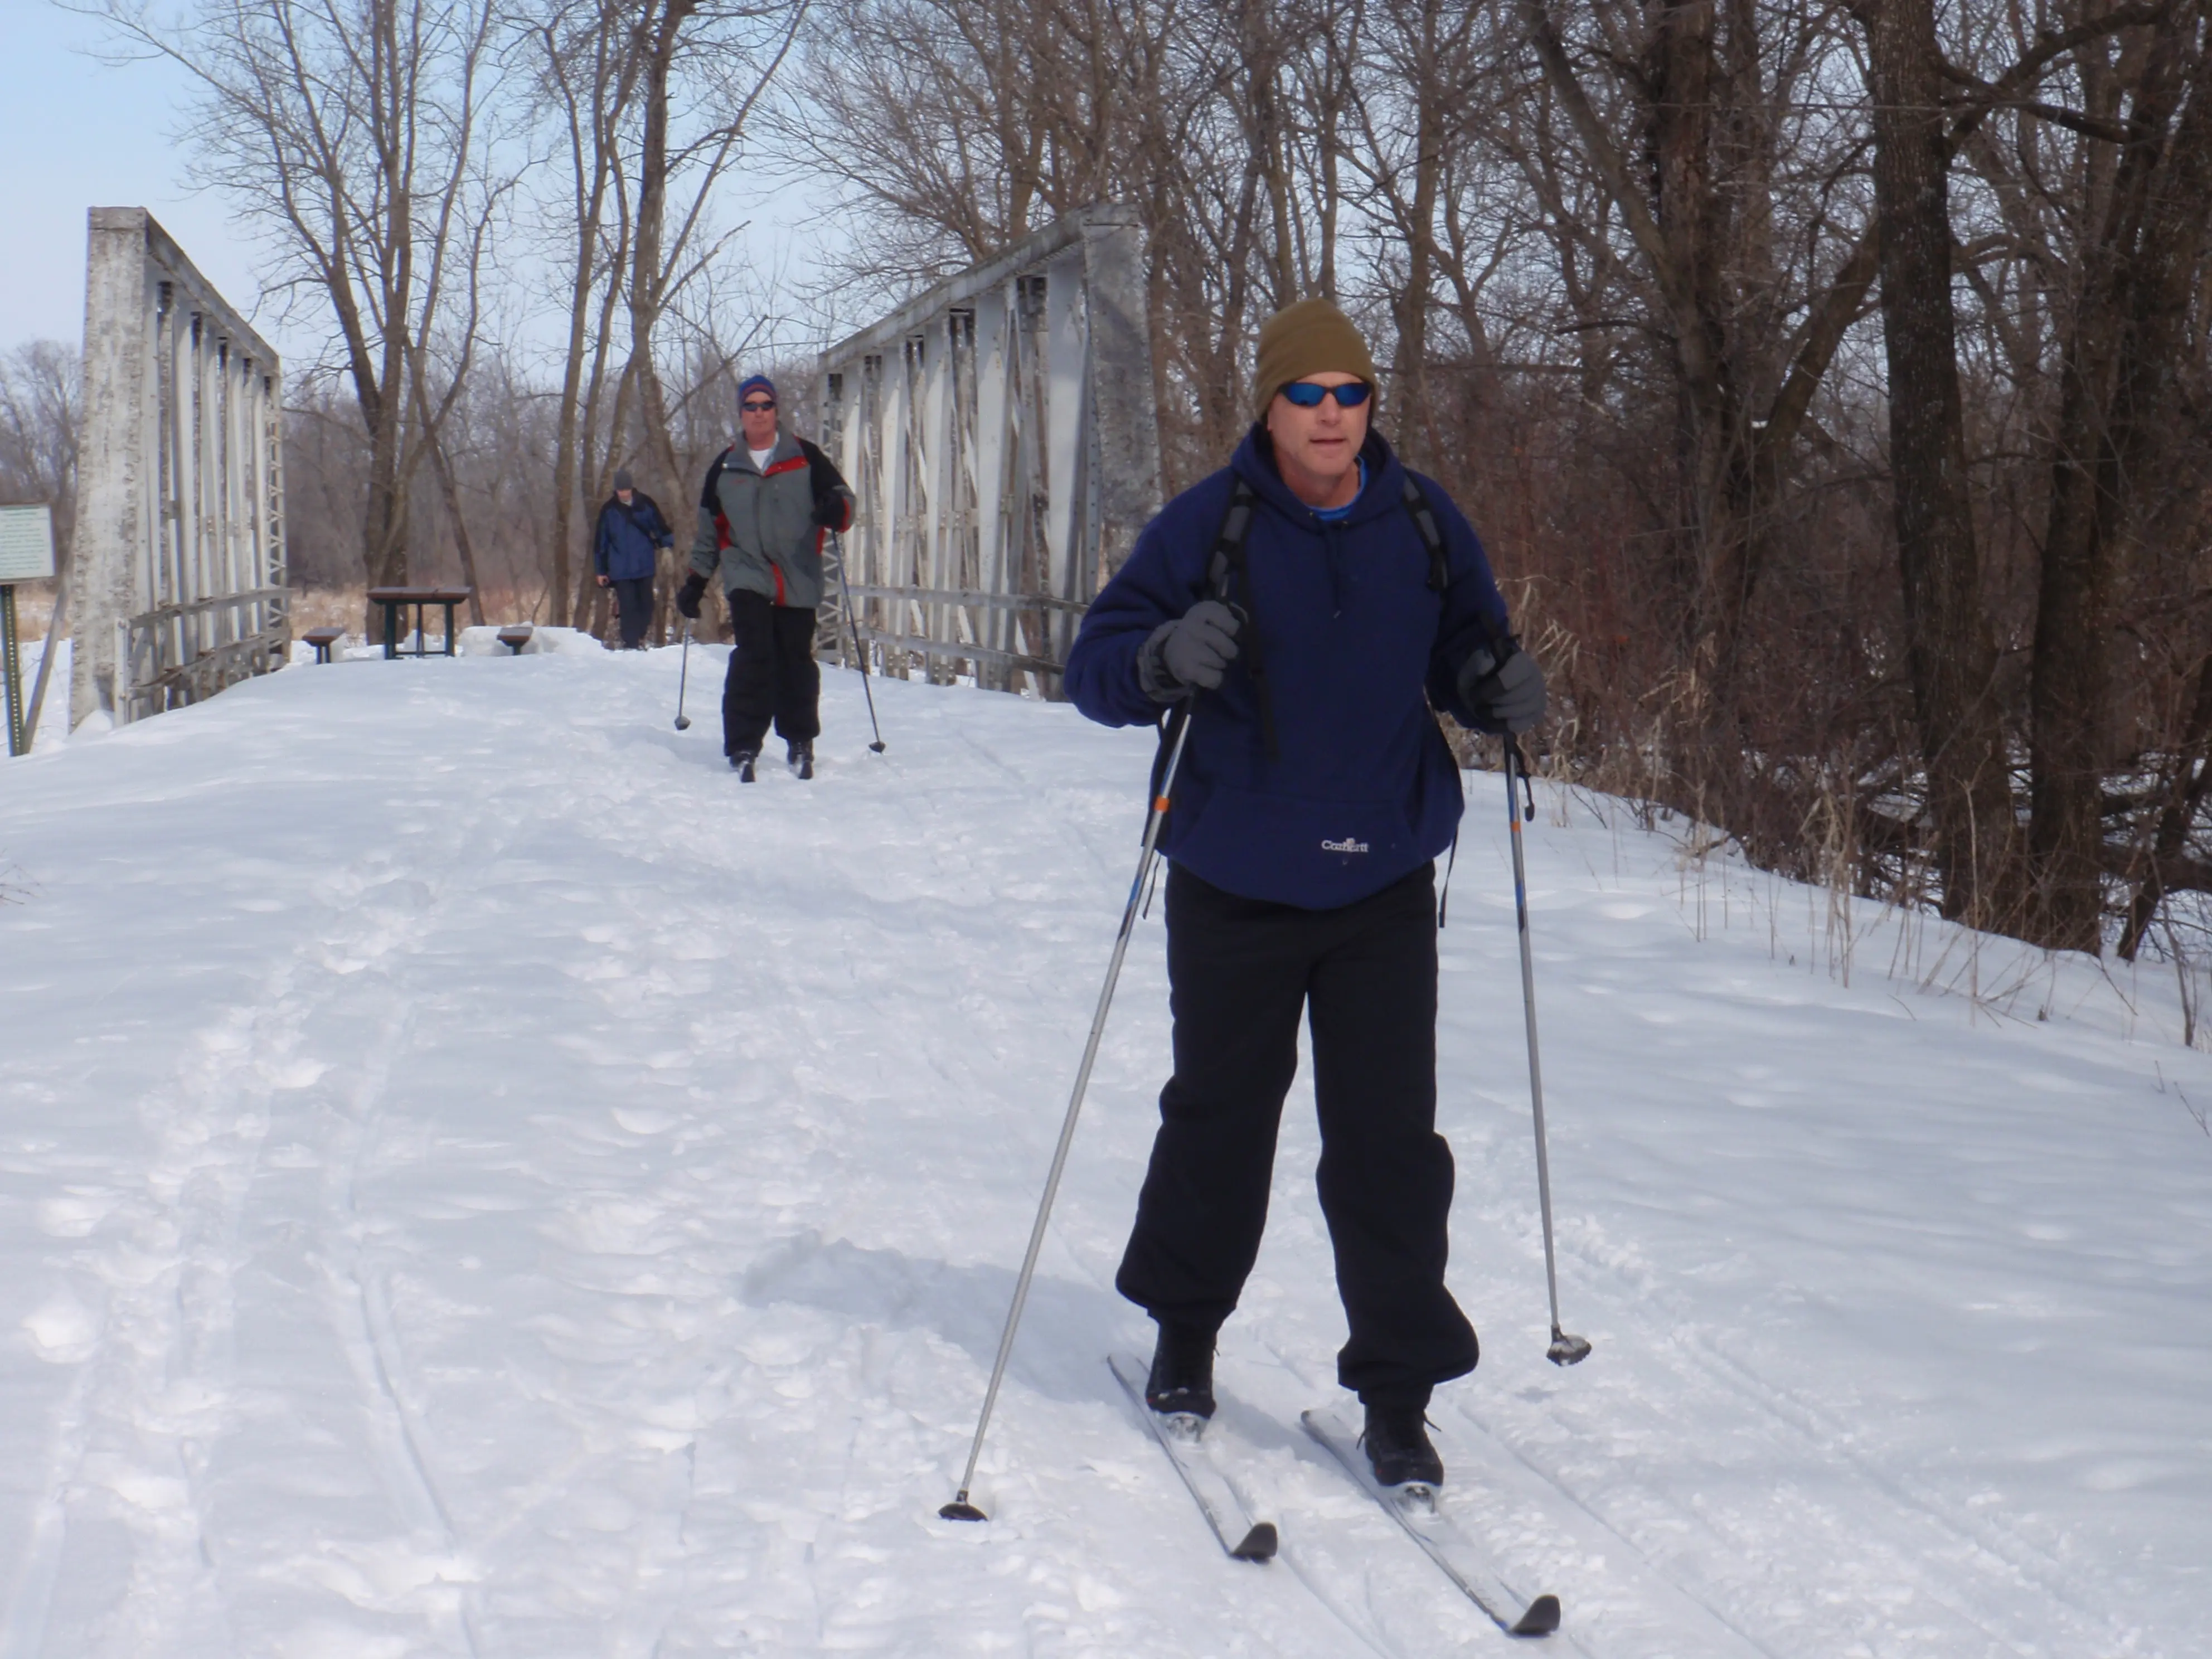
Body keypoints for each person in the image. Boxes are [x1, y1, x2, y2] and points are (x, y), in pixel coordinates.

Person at [1062, 298, 1546, 1491]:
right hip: (1232, 874)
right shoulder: (1206, 525)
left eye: (1352, 393)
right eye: (1307, 394)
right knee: (1220, 1118)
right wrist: (1159, 658)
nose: (1331, 415)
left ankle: (1396, 1394)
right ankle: (1184, 1333)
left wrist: (1497, 683)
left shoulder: (1426, 521)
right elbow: (1095, 668)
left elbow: (1468, 648)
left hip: (1380, 879)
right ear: (1269, 407)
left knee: (1387, 1148)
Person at [676, 374, 855, 780]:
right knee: (754, 654)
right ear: (740, 413)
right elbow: (710, 532)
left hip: (798, 572)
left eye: (766, 405)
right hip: (747, 571)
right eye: (751, 406)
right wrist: (695, 582)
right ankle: (742, 745)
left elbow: (845, 503)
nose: (759, 413)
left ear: (776, 410)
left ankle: (799, 741)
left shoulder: (807, 458)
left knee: (795, 658)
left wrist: (835, 509)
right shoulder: (724, 468)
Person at [593, 467, 675, 650]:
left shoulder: (646, 504)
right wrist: (600, 570)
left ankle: (640, 636)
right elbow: (601, 543)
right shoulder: (609, 511)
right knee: (628, 606)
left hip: (644, 564)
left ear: (632, 488)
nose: (623, 493)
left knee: (647, 604)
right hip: (620, 567)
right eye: (620, 490)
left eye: (626, 489)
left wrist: (667, 546)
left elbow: (660, 526)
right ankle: (631, 644)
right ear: (616, 490)